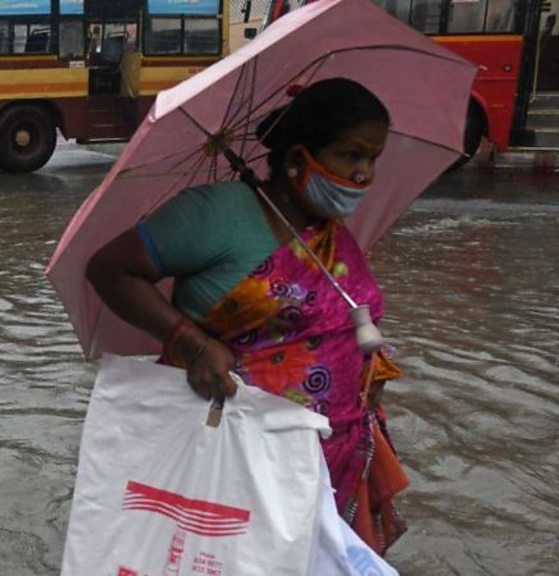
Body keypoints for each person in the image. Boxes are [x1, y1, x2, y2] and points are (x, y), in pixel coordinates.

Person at [86, 78, 408, 554]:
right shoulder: (217, 214)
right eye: (351, 155)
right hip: (241, 458)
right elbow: (110, 270)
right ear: (299, 157)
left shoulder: (329, 231)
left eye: (373, 158)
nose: (364, 174)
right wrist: (192, 345)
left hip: (338, 454)